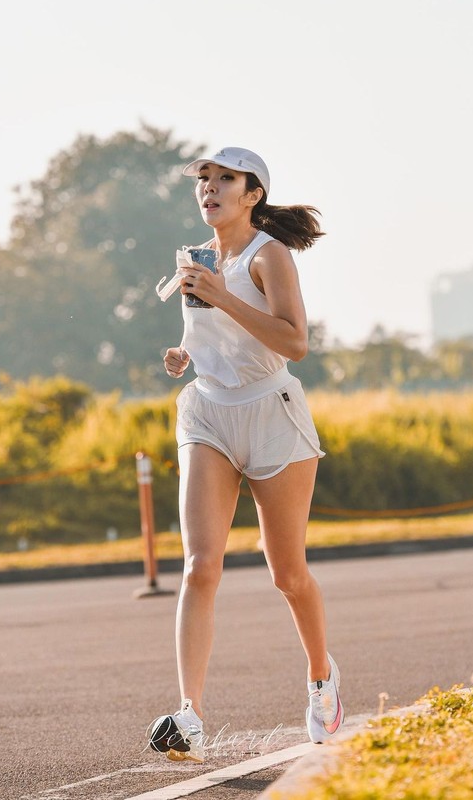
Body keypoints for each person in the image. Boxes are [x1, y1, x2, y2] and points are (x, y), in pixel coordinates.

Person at [148, 147, 344, 763]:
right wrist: (183, 357)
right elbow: (202, 336)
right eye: (203, 180)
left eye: (223, 179)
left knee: (286, 572)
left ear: (252, 193)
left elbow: (294, 341)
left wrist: (223, 296)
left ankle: (321, 679)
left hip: (272, 414)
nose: (209, 189)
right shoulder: (195, 259)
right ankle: (191, 715)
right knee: (199, 565)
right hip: (207, 411)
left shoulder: (270, 255)